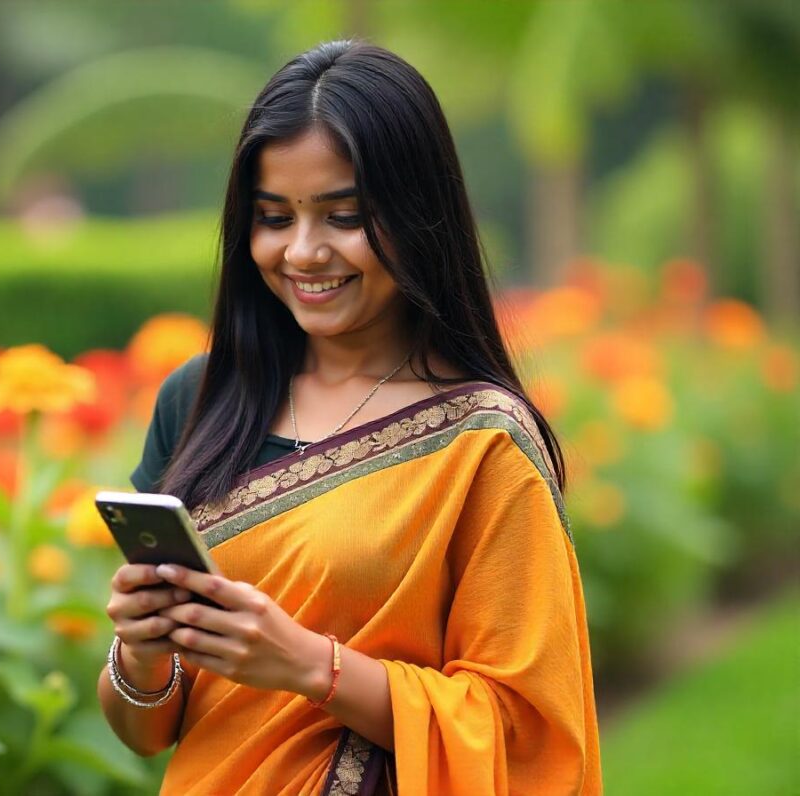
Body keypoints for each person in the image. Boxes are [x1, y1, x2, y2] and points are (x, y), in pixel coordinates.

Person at [98, 38, 602, 795]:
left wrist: (308, 665)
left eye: (344, 216)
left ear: (418, 216)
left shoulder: (480, 444)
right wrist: (139, 654)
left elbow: (523, 733)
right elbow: (147, 733)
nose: (303, 252)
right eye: (274, 217)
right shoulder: (200, 399)